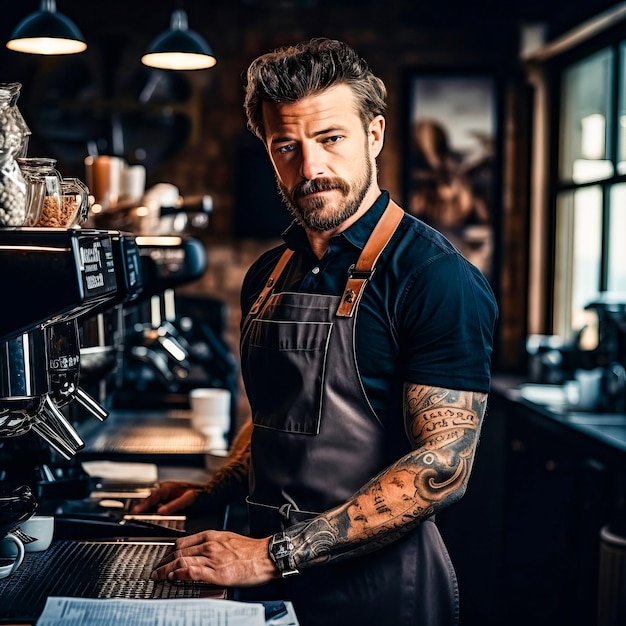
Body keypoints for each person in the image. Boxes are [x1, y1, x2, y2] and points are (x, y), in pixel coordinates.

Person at [133, 37, 498, 626]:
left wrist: (275, 555)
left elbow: (444, 466)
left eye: (331, 139)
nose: (311, 169)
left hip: (377, 595)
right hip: (264, 583)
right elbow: (284, 410)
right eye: (287, 146)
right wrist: (215, 489)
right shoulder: (270, 272)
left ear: (373, 135)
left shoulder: (435, 278)